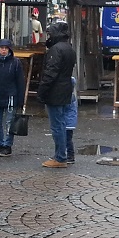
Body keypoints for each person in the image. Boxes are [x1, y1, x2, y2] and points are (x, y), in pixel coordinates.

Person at [37, 21, 76, 168]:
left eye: (50, 33)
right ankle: (61, 155)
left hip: (56, 91)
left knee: (57, 125)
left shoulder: (56, 50)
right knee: (61, 123)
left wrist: (41, 92)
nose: (48, 36)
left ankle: (60, 157)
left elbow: (50, 73)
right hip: (65, 89)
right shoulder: (69, 48)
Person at [0, 39, 26, 157]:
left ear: (9, 50)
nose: (3, 50)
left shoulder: (16, 63)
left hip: (11, 96)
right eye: (1, 48)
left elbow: (20, 82)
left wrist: (21, 100)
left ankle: (7, 145)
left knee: (9, 122)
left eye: (6, 48)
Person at [64, 76, 78, 163]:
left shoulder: (68, 97)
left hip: (68, 123)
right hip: (70, 122)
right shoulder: (72, 96)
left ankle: (70, 156)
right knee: (67, 139)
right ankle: (67, 155)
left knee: (67, 140)